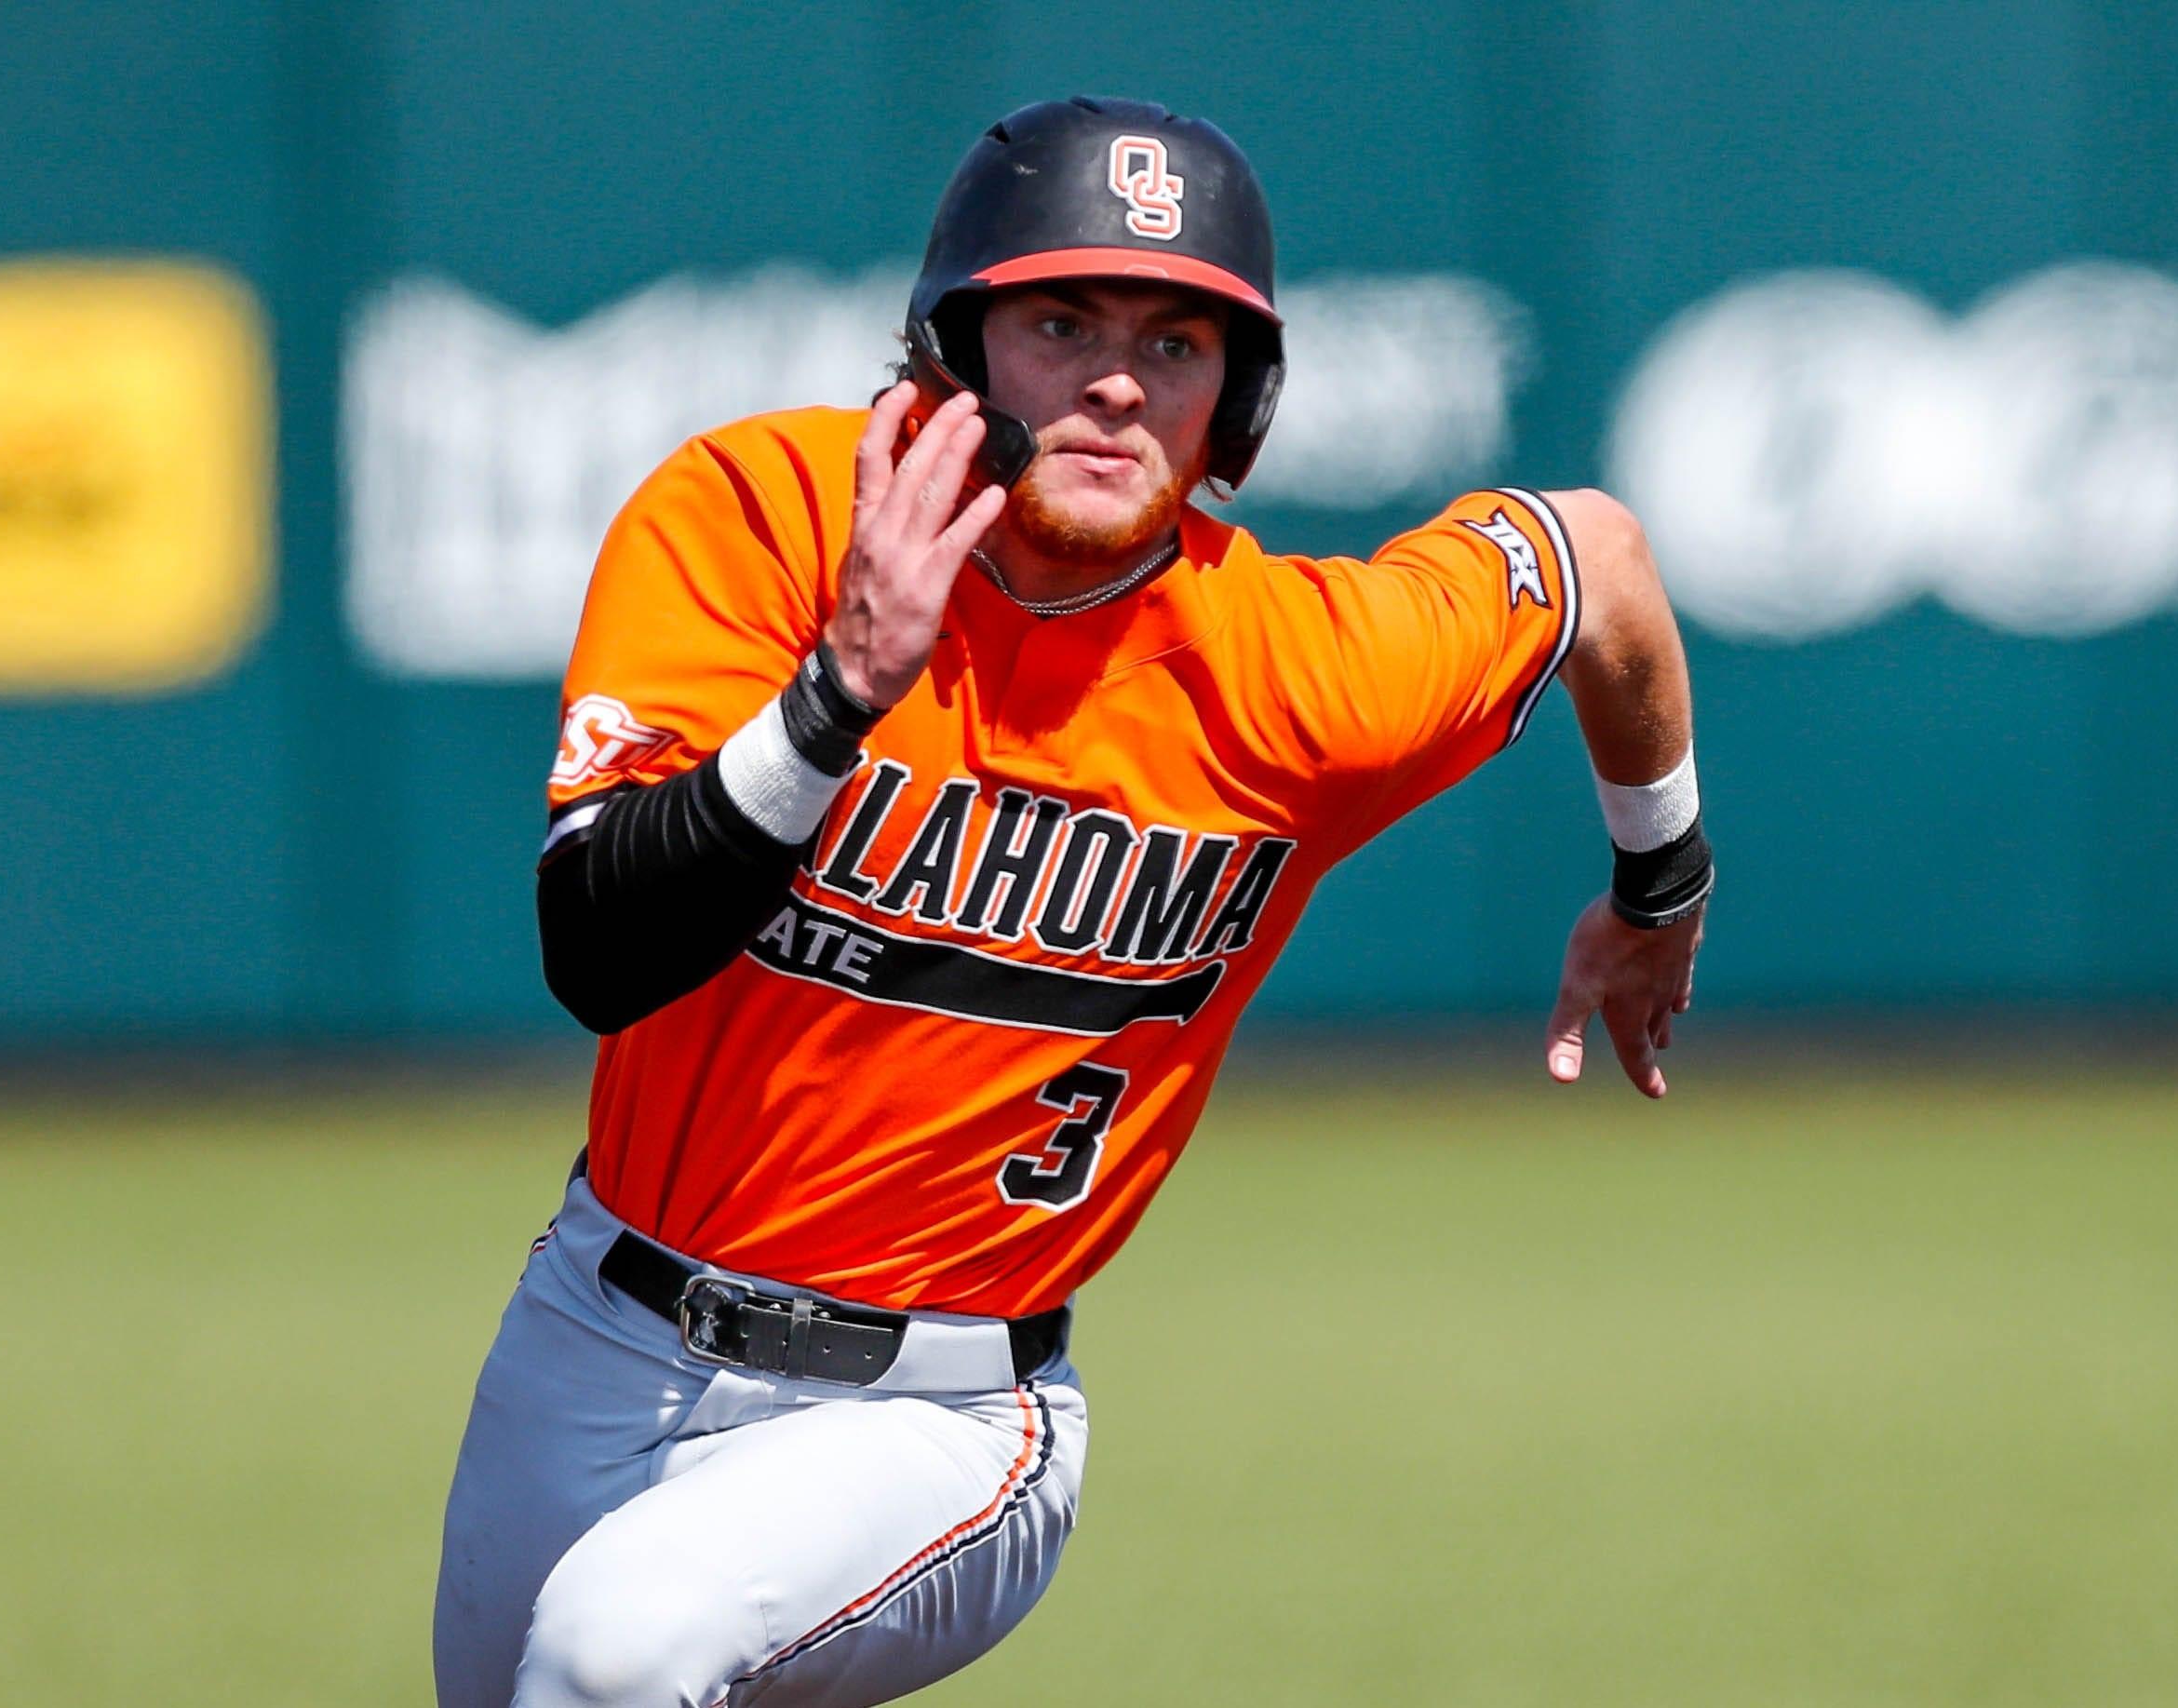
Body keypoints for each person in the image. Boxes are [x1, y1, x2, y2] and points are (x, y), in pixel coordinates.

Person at [435, 95, 1709, 1707]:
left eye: (1178, 344)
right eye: (1062, 321)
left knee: (617, 1659)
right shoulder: (761, 524)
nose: (1119, 376)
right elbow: (596, 955)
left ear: (1232, 405)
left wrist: (1661, 874)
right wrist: (838, 695)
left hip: (946, 1420)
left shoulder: (1298, 669)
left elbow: (1598, 559)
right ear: (954, 353)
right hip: (595, 1330)